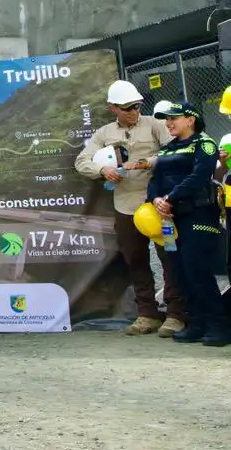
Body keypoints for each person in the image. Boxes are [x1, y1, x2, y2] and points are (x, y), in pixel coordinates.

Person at [74, 80, 183, 336]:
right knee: (134, 260)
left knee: (169, 257)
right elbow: (81, 161)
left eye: (137, 106)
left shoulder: (156, 124)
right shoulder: (103, 133)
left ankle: (176, 313)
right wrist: (103, 170)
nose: (134, 111)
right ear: (113, 108)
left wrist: (149, 163)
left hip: (158, 204)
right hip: (125, 207)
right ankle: (147, 313)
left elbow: (176, 152)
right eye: (127, 107)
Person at [148, 102, 226, 346]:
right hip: (171, 219)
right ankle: (197, 324)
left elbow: (199, 177)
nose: (168, 123)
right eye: (166, 119)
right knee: (180, 273)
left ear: (190, 120)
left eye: (174, 118)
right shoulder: (166, 149)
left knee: (198, 271)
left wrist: (170, 197)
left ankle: (220, 326)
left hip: (199, 216)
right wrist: (157, 199)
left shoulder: (205, 143)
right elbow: (154, 181)